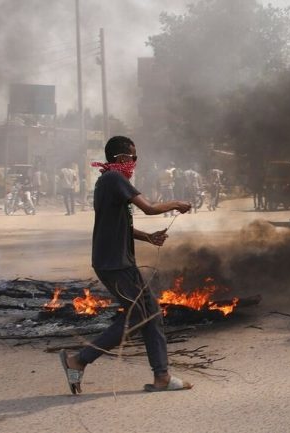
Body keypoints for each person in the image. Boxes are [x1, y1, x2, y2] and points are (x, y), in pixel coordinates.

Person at [59, 136, 193, 394]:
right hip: (116, 263)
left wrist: (148, 237)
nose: (135, 162)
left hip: (113, 260)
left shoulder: (106, 181)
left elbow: (118, 225)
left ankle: (162, 376)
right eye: (133, 157)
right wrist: (177, 204)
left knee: (150, 312)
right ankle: (79, 360)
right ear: (122, 157)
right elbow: (149, 208)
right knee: (139, 316)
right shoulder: (114, 179)